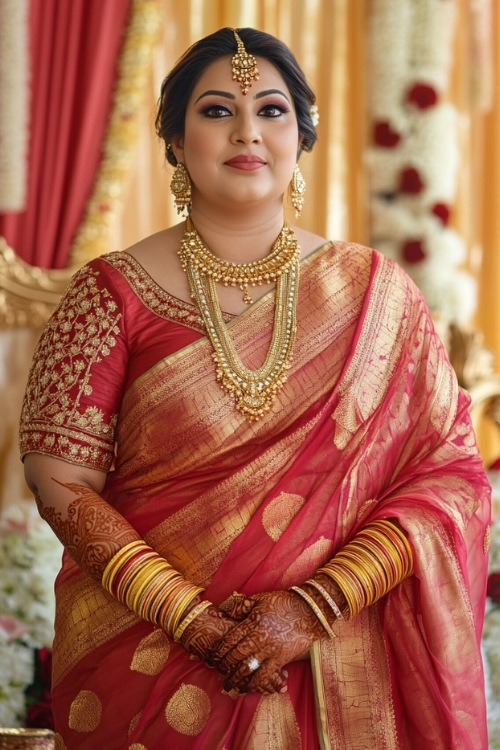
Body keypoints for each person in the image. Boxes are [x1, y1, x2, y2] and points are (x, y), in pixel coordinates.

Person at [19, 27, 491, 750]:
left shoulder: (377, 294)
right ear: (174, 137)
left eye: (271, 110)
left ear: (301, 136)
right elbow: (60, 482)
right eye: (215, 111)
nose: (247, 131)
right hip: (154, 657)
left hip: (339, 654)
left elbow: (447, 474)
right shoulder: (108, 293)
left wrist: (314, 607)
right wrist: (197, 624)